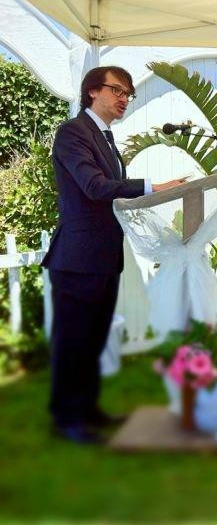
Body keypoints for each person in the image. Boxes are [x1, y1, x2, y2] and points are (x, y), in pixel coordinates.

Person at [44, 66, 185, 444]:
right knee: (73, 342)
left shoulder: (105, 138)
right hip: (77, 258)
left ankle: (88, 408)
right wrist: (154, 186)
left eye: (128, 94)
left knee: (93, 339)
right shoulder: (73, 132)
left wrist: (155, 194)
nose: (124, 99)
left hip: (104, 257)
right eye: (117, 90)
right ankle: (66, 419)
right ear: (93, 91)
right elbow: (94, 186)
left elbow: (113, 191)